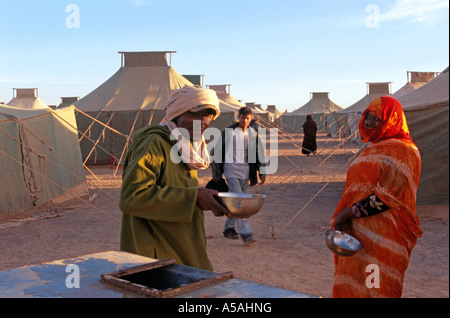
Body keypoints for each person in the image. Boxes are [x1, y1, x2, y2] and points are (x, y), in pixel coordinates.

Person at [118, 85, 231, 271]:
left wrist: (205, 201)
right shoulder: (154, 143)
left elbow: (179, 191)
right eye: (196, 114)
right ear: (177, 113)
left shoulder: (184, 147)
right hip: (156, 254)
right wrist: (193, 197)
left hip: (183, 244)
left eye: (209, 115)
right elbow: (132, 196)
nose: (203, 122)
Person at [331, 96, 423, 298]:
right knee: (354, 282)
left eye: (377, 118)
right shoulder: (373, 146)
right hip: (358, 233)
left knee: (376, 286)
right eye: (368, 116)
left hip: (384, 236)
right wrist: (347, 219)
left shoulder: (404, 151)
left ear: (391, 120)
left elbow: (385, 198)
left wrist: (346, 214)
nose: (369, 122)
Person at [211, 107, 266, 244]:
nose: (245, 121)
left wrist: (262, 172)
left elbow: (259, 153)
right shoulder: (229, 132)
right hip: (230, 169)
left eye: (247, 118)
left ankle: (229, 228)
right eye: (242, 118)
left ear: (251, 118)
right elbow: (216, 151)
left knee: (237, 202)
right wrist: (216, 173)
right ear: (238, 117)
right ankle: (246, 232)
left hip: (245, 171)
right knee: (240, 200)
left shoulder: (253, 134)